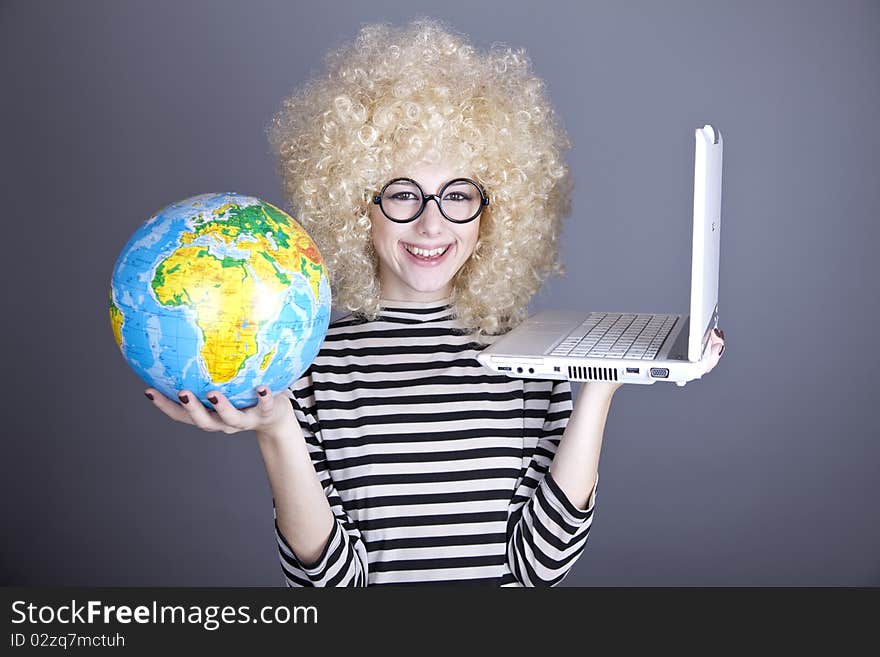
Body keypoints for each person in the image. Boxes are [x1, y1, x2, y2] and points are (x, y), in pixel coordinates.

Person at [145, 18, 725, 586]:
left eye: (458, 195)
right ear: (356, 206)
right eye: (402, 194)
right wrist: (275, 431)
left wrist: (599, 384)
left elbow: (540, 565)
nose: (431, 224)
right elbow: (330, 583)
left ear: (493, 212)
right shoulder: (307, 360)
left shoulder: (526, 354)